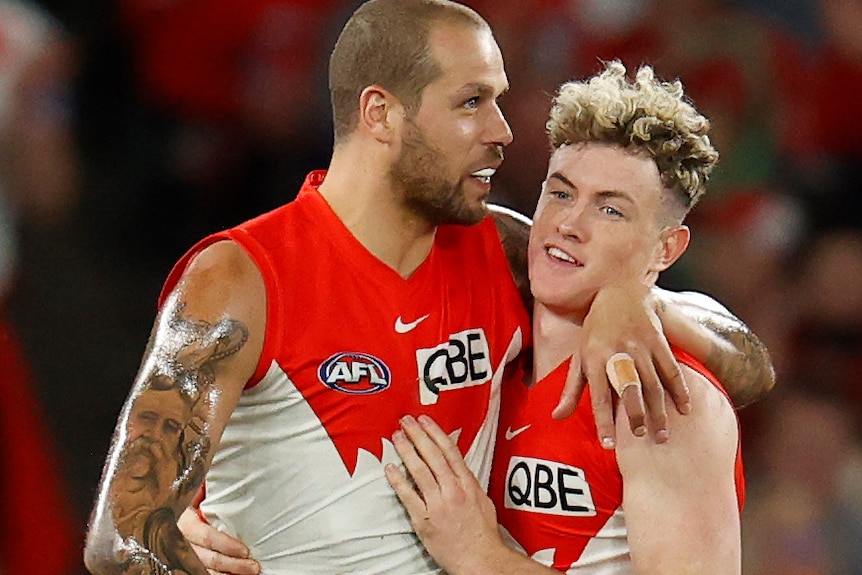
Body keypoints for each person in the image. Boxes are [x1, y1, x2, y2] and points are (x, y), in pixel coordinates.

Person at [84, 2, 773, 574]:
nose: (502, 131)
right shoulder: (238, 279)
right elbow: (121, 536)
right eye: (472, 102)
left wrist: (640, 298)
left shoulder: (500, 250)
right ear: (380, 114)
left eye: (499, 101)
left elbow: (750, 366)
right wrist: (183, 555)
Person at [386, 61, 750, 574]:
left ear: (666, 249)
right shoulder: (485, 359)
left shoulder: (660, 399)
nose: (568, 224)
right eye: (560, 193)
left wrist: (479, 557)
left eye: (610, 210)